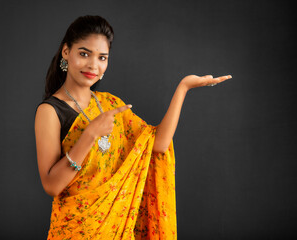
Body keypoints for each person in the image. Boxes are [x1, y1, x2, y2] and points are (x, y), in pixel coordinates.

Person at [34, 15, 232, 240]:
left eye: (102, 58)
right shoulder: (50, 111)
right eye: (84, 53)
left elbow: (158, 144)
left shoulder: (110, 104)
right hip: (73, 232)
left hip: (116, 232)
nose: (93, 65)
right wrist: (90, 134)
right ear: (66, 52)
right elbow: (51, 185)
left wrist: (183, 88)